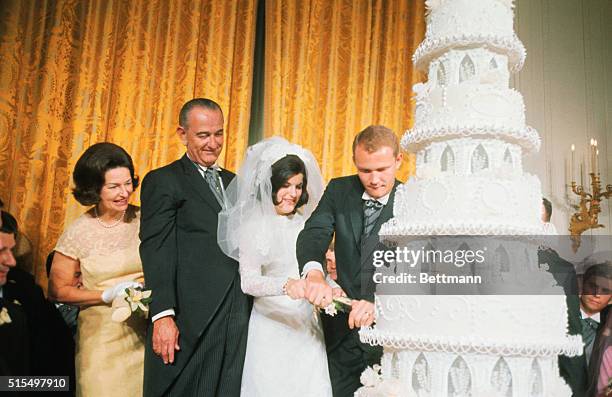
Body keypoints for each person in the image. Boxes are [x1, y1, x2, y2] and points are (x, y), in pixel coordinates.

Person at [140, 98, 250, 397]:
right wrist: (162, 314)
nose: (213, 143)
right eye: (203, 135)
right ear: (182, 133)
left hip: (237, 309)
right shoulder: (164, 180)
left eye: (219, 133)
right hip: (190, 316)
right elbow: (155, 249)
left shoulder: (235, 182)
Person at [217, 137, 331, 396]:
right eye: (285, 185)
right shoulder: (253, 226)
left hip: (306, 322)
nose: (293, 193)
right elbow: (249, 281)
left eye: (298, 186)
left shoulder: (306, 223)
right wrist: (286, 285)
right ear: (270, 184)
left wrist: (330, 286)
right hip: (271, 324)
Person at [297, 125, 403, 396]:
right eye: (365, 170)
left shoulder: (414, 201)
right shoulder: (339, 190)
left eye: (383, 169)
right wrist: (314, 273)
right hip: (342, 334)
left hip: (391, 337)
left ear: (398, 160)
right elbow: (314, 232)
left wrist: (380, 303)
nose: (375, 179)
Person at [48, 142, 145, 397]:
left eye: (128, 183)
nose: (124, 192)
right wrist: (105, 295)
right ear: (94, 189)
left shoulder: (145, 219)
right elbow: (58, 291)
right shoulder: (79, 232)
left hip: (145, 337)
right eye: (113, 186)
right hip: (101, 343)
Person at [581, 262, 612, 396]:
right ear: (582, 285)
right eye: (593, 286)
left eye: (605, 291)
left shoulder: (607, 329)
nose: (596, 294)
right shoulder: (560, 315)